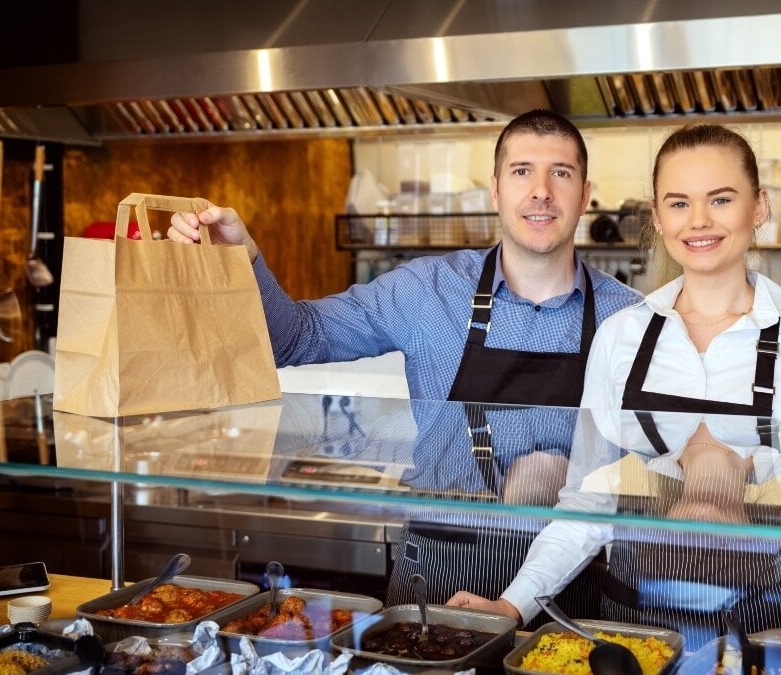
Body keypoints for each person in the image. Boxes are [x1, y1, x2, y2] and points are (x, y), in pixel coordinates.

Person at [167, 109, 641, 623]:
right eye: (522, 171)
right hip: (437, 574)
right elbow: (297, 339)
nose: (541, 191)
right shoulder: (427, 290)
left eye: (561, 173)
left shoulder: (629, 318)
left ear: (585, 192)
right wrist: (241, 257)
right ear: (496, 190)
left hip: (566, 586)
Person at [449, 124, 781, 648]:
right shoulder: (622, 336)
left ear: (758, 207)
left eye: (720, 199)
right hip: (630, 621)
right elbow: (588, 503)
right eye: (678, 203)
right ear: (657, 217)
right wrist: (512, 604)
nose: (698, 222)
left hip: (764, 623)